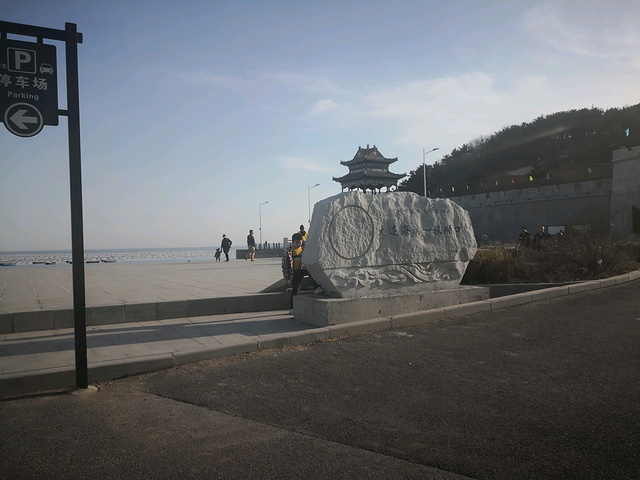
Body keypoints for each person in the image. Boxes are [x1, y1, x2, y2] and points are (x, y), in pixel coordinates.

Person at [282, 232, 322, 315]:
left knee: (312, 271)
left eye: (300, 243)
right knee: (295, 290)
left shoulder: (304, 250)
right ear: (292, 242)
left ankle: (317, 288)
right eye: (296, 243)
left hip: (302, 269)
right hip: (294, 272)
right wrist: (285, 274)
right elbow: (284, 264)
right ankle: (292, 308)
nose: (298, 244)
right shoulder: (288, 251)